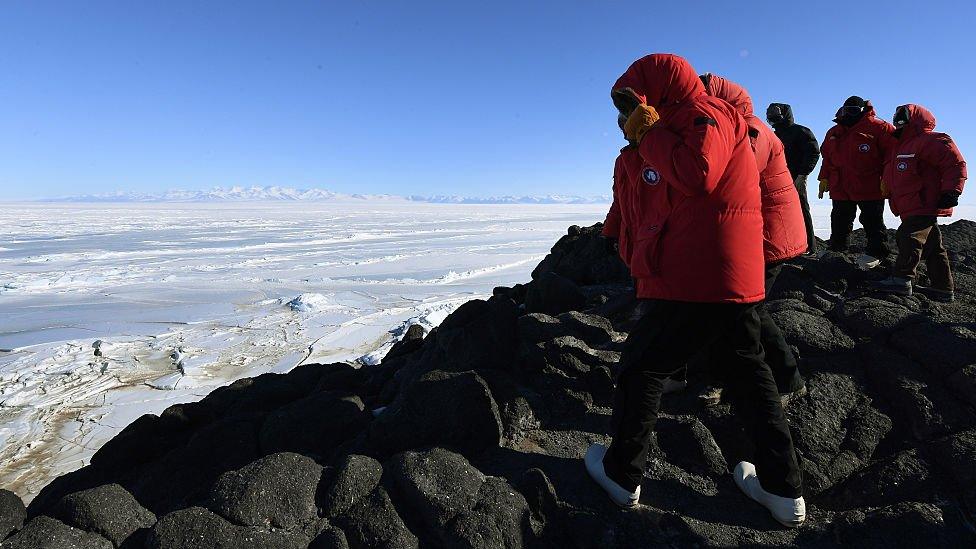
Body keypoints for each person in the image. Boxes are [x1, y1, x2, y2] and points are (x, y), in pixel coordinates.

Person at [585, 53, 804, 528]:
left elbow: (696, 174)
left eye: (634, 103)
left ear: (657, 93)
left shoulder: (709, 115)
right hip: (727, 275)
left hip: (694, 277)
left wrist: (648, 133)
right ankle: (783, 491)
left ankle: (621, 474)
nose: (629, 117)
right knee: (748, 373)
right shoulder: (694, 124)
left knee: (642, 368)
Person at [701, 73, 807, 401]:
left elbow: (726, 174)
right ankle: (722, 375)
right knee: (726, 308)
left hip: (768, 238)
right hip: (754, 235)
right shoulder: (737, 127)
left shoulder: (751, 130)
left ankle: (789, 381)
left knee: (746, 310)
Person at [869, 104, 967, 301]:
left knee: (908, 237)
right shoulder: (899, 146)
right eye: (897, 117)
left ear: (915, 119)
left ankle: (902, 279)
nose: (898, 121)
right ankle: (943, 288)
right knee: (933, 247)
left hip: (924, 202)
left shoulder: (931, 140)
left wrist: (952, 190)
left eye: (903, 117)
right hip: (909, 203)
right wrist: (886, 184)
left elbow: (955, 164)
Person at [817, 96, 895, 258]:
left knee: (872, 220)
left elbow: (892, 156)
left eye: (854, 110)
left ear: (863, 110)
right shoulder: (835, 131)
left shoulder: (880, 128)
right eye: (847, 110)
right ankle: (838, 250)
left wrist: (887, 179)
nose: (849, 114)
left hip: (870, 184)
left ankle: (877, 253)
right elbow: (827, 157)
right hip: (840, 185)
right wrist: (824, 177)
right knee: (839, 219)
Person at [767, 103, 820, 254]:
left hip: (796, 178)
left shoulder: (800, 131)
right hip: (777, 181)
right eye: (770, 117)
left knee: (802, 209)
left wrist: (803, 175)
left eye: (775, 115)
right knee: (780, 214)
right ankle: (788, 247)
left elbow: (813, 152)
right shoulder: (774, 135)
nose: (772, 119)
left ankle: (810, 247)